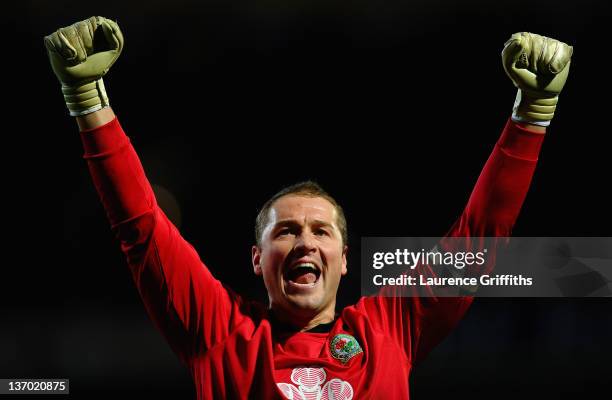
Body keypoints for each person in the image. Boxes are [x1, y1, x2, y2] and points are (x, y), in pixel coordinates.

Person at [46, 17, 572, 399]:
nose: (305, 241)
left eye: (322, 231)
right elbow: (141, 228)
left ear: (345, 259)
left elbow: (479, 238)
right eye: (286, 231)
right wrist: (88, 100)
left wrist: (533, 116)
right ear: (257, 259)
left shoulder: (390, 328)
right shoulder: (222, 334)